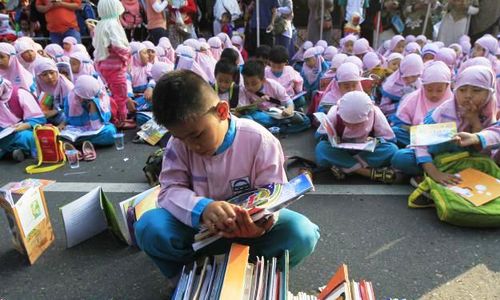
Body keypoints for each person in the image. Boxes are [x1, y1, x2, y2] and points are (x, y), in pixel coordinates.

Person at [134, 70, 320, 291]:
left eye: (197, 135)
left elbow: (274, 195)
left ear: (222, 111)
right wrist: (203, 208)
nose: (192, 146)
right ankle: (188, 283)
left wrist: (259, 228)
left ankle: (252, 278)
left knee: (302, 233)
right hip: (198, 232)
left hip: (247, 234)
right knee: (148, 227)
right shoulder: (178, 144)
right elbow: (169, 190)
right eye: (181, 138)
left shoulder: (260, 141)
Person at [391, 65, 500, 206]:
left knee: (489, 162)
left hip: (467, 159)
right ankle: (432, 177)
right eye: (462, 90)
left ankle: (430, 183)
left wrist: (474, 122)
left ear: (489, 94)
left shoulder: (489, 113)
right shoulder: (444, 111)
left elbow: (486, 151)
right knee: (401, 158)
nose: (467, 95)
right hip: (437, 157)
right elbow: (421, 143)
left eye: (476, 90)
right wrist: (434, 172)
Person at [315, 91, 398, 183]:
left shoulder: (375, 113)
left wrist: (375, 141)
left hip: (365, 152)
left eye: (358, 124)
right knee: (322, 147)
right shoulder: (335, 112)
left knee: (392, 149)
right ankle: (365, 172)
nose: (351, 127)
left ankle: (345, 167)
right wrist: (331, 138)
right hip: (341, 151)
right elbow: (320, 136)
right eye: (347, 123)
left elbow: (389, 139)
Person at [93, 0, 134, 130]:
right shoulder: (112, 24)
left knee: (112, 95)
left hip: (104, 66)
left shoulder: (100, 24)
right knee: (121, 96)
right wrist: (127, 55)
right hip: (116, 68)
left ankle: (115, 117)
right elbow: (118, 46)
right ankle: (121, 120)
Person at [391, 61, 453, 147]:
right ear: (423, 86)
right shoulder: (413, 98)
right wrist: (416, 131)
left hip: (443, 142)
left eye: (439, 90)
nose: (434, 94)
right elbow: (399, 123)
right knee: (395, 133)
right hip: (416, 137)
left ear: (447, 87)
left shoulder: (453, 102)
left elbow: (455, 130)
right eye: (429, 90)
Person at [61, 75, 117, 146]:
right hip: (76, 129)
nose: (81, 100)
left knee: (110, 132)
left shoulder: (99, 98)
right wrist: (62, 124)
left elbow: (97, 126)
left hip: (95, 131)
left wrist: (93, 105)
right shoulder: (70, 98)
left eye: (85, 98)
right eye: (79, 96)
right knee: (62, 134)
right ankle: (81, 142)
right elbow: (68, 117)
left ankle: (77, 143)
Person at [238, 59, 295, 128]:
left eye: (254, 83)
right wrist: (256, 103)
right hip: (261, 113)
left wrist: (289, 109)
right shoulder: (243, 89)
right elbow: (246, 109)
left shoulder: (273, 85)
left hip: (277, 111)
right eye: (246, 83)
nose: (250, 87)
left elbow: (288, 101)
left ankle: (278, 125)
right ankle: (283, 125)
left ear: (263, 80)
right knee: (253, 116)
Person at [0, 76, 46, 161]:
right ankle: (13, 152)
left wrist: (24, 126)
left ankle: (8, 152)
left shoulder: (20, 94)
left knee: (28, 137)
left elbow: (39, 119)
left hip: (20, 130)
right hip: (3, 133)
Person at [380, 53, 424, 118]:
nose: (410, 80)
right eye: (406, 77)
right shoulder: (391, 86)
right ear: (401, 72)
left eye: (414, 76)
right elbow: (383, 109)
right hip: (395, 117)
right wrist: (400, 104)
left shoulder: (418, 83)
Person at [34, 57, 74, 127]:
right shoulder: (37, 85)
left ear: (56, 71)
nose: (49, 77)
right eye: (44, 74)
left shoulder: (66, 86)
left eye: (52, 73)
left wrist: (55, 111)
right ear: (39, 77)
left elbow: (73, 107)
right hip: (46, 115)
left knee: (64, 117)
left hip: (63, 114)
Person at [265, 45, 305, 110]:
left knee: (301, 100)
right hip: (273, 101)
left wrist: (298, 91)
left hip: (289, 98)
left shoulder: (289, 70)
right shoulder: (265, 72)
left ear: (286, 63)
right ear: (269, 61)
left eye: (279, 67)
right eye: (273, 66)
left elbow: (299, 81)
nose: (276, 69)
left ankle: (294, 109)